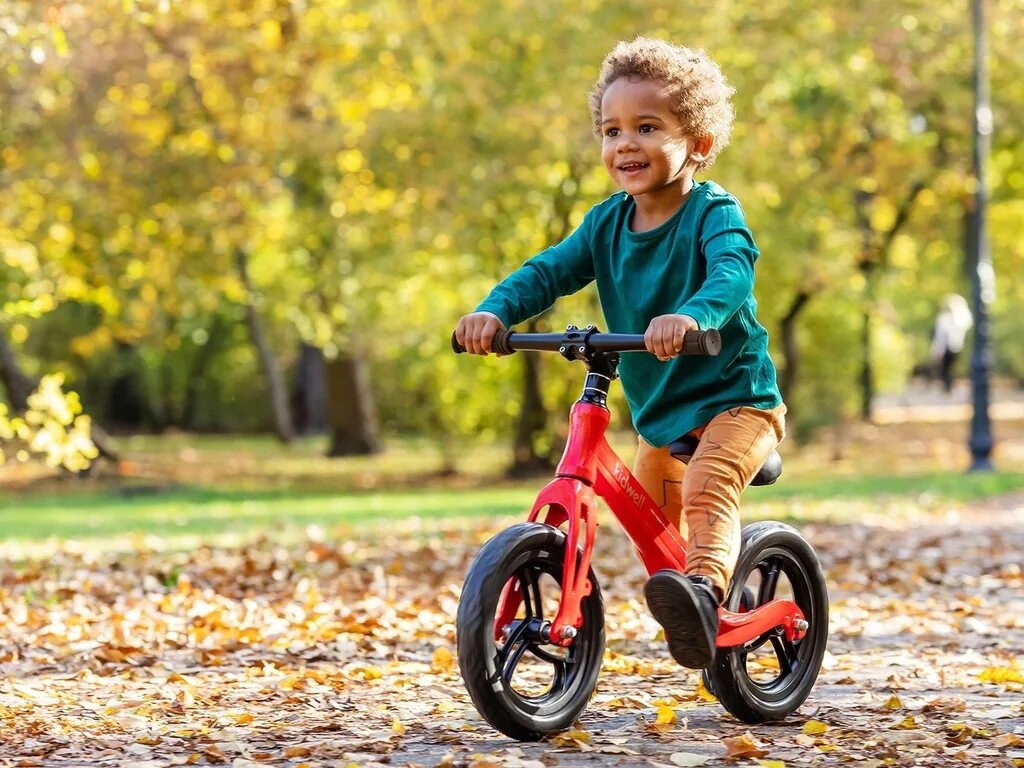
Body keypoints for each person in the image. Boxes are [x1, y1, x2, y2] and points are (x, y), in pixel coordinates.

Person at [454, 37, 785, 670]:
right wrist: (495, 311)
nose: (624, 143)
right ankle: (698, 617)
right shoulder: (605, 224)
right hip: (663, 413)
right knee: (660, 534)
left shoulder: (714, 213)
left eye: (647, 127)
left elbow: (731, 274)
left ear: (699, 144)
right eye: (611, 130)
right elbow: (548, 272)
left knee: (707, 490)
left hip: (739, 403)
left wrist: (691, 316)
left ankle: (707, 596)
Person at [930, 293, 973, 394]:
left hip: (956, 347)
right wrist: (936, 350)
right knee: (945, 369)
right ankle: (947, 388)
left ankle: (949, 387)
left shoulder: (961, 317)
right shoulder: (943, 318)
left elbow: (965, 324)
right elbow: (940, 336)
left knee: (951, 368)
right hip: (945, 347)